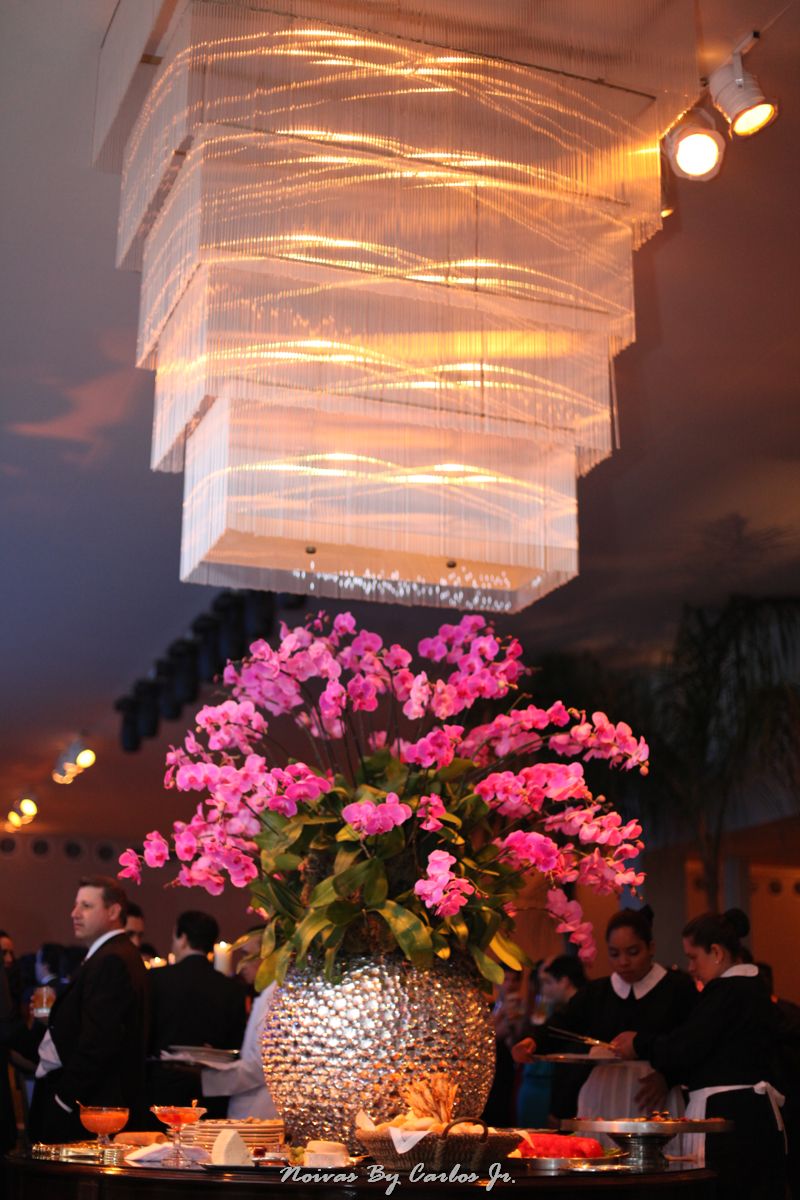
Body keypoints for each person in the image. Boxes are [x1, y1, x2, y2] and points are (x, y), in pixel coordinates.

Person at [612, 909, 786, 1199]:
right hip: (753, 1112)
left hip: (728, 1113)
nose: (690, 967)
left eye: (693, 957)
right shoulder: (752, 987)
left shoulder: (727, 991)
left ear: (716, 952)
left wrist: (640, 1043)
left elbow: (685, 1047)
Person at [512, 907, 697, 1121]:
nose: (623, 962)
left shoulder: (677, 987)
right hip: (603, 1093)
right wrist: (533, 1041)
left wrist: (669, 1077)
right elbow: (562, 1025)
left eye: (633, 952)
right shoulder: (597, 992)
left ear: (651, 948)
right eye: (614, 954)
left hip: (655, 1095)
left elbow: (690, 1041)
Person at [28, 876, 149, 1143]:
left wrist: (64, 1100)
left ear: (113, 911)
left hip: (91, 1109)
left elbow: (100, 1040)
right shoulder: (112, 953)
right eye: (75, 905)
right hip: (93, 1102)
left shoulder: (112, 958)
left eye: (86, 906)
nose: (75, 913)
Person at [147, 911, 247, 1110]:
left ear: (183, 938)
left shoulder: (156, 979)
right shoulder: (232, 988)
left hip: (162, 1085)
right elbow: (237, 1044)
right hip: (212, 1090)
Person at [200, 934, 278, 1118]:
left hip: (259, 1109)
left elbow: (260, 1066)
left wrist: (204, 1079)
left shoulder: (273, 998)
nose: (241, 964)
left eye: (247, 955)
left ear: (268, 956)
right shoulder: (265, 995)